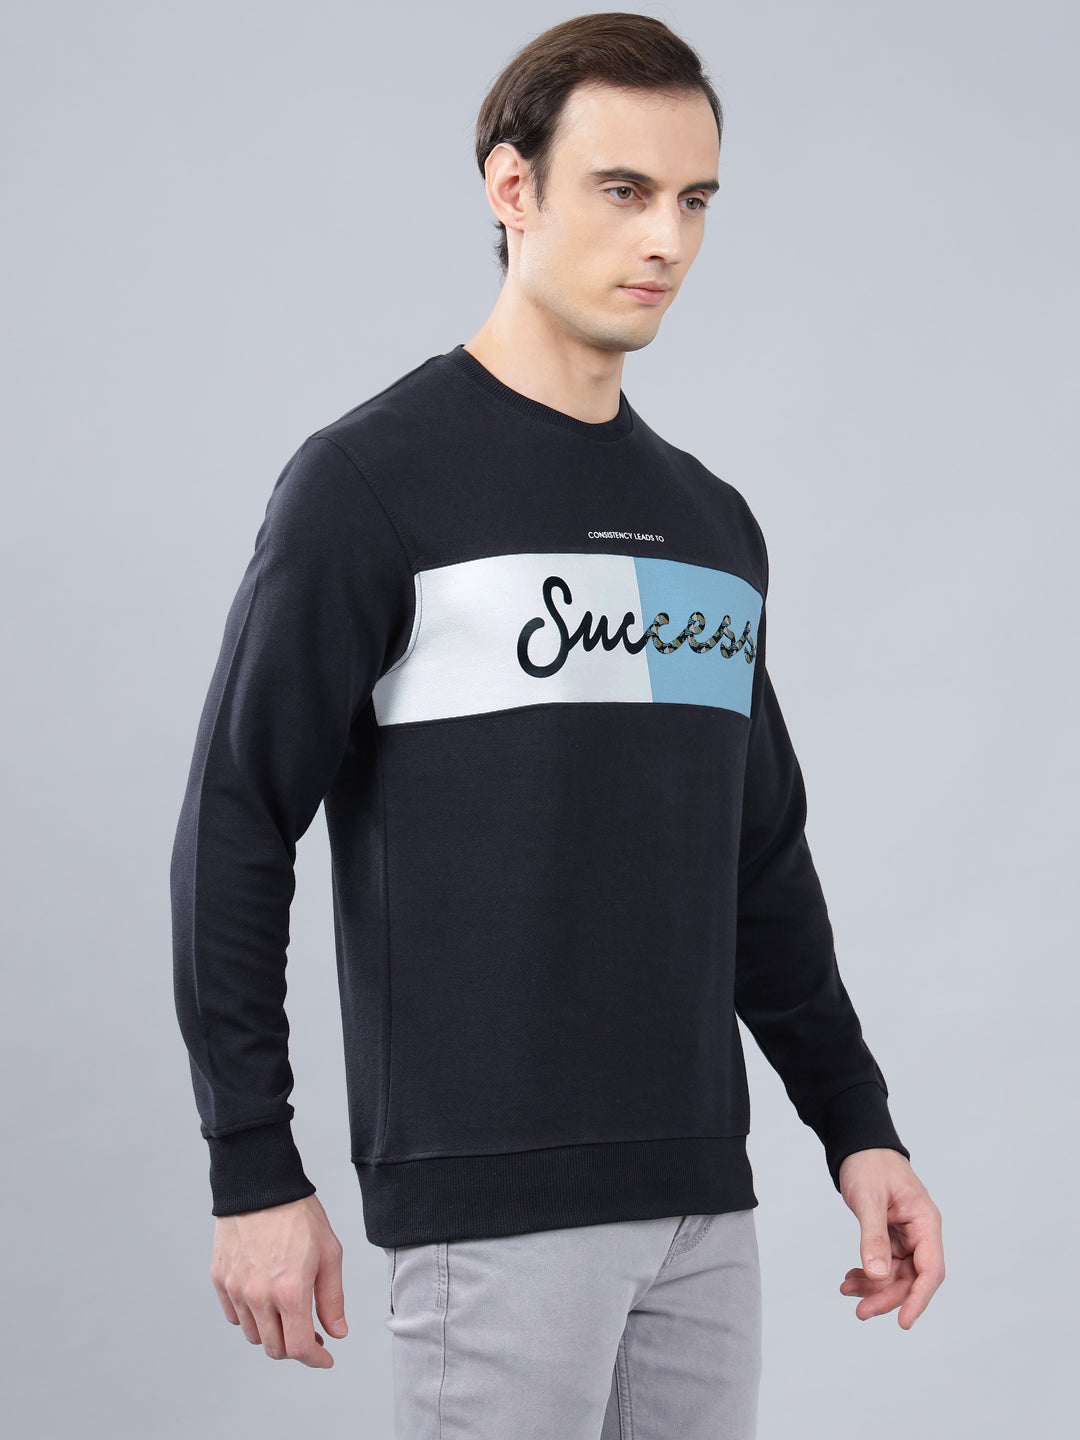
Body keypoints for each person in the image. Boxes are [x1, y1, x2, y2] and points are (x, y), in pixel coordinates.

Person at [171, 12, 944, 1437]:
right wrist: (251, 1165)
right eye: (624, 189)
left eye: (694, 200)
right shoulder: (371, 485)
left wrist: (859, 1129)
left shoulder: (711, 527)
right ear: (511, 185)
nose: (667, 239)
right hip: (493, 1206)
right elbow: (236, 822)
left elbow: (758, 863)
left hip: (702, 1203)